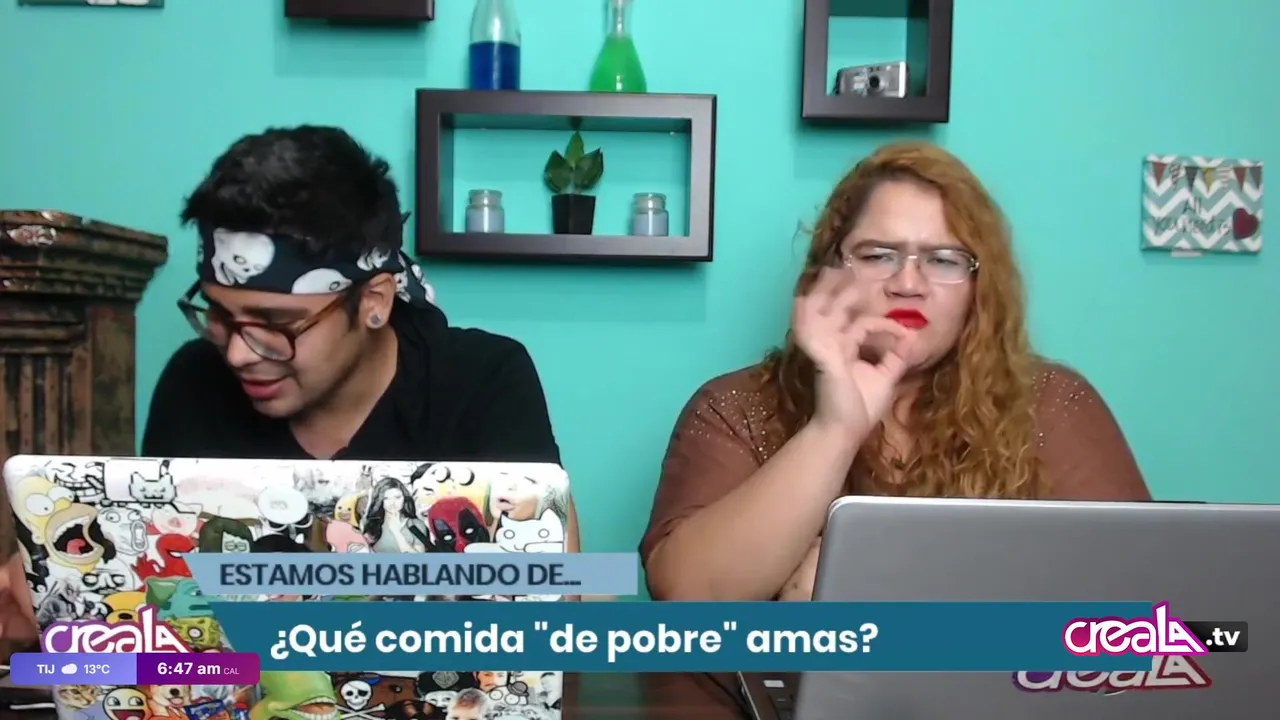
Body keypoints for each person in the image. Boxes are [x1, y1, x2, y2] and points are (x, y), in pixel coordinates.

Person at [640, 142, 1150, 602]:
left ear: (980, 287)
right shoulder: (736, 406)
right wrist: (833, 430)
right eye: (878, 255)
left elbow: (1146, 600)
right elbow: (686, 594)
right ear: (829, 270)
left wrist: (858, 581)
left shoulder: (1051, 401)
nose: (908, 283)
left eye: (944, 260)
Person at [139, 125, 580, 551]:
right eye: (219, 313)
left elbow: (560, 581)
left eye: (276, 324)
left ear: (374, 301)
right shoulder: (193, 382)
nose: (237, 354)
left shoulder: (483, 380)